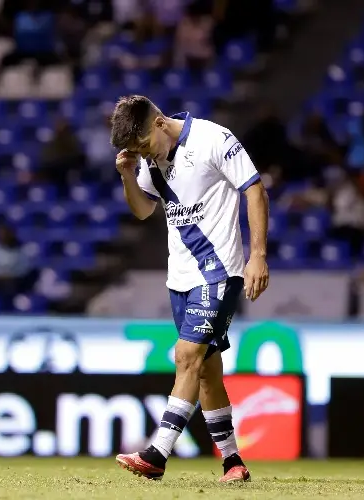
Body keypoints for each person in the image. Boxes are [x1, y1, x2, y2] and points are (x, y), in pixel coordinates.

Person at [109, 95, 269, 483]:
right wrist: (129, 176)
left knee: (186, 355)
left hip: (219, 272)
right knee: (206, 373)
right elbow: (144, 210)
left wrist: (258, 255)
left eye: (145, 144)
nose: (145, 154)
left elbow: (253, 189)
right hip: (179, 278)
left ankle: (156, 455)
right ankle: (233, 463)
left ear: (160, 122)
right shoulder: (148, 163)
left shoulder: (214, 139)